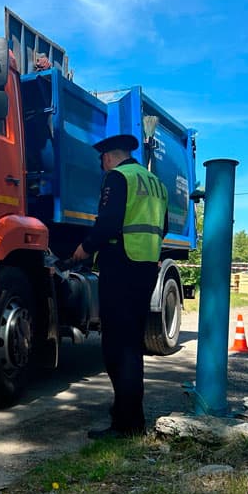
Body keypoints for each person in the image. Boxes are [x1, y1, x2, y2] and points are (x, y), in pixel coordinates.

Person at [71, 133, 168, 439]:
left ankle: (127, 424)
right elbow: (162, 227)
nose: (102, 166)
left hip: (121, 264)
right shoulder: (155, 182)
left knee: (118, 347)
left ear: (109, 157)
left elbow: (109, 222)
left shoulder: (118, 177)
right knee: (132, 343)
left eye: (102, 160)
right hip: (145, 267)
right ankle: (127, 414)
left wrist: (83, 249)